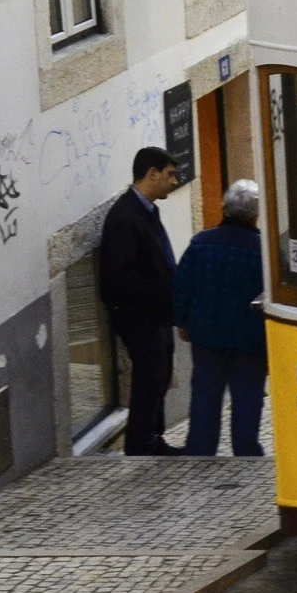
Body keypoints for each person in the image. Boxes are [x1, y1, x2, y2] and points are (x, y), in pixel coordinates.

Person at [99, 147, 183, 456]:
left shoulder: (147, 210)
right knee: (149, 375)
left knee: (159, 374)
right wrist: (160, 292)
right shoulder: (125, 218)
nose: (174, 182)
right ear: (152, 174)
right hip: (139, 316)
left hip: (156, 312)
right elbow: (118, 279)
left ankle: (153, 438)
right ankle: (141, 443)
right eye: (170, 175)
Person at [175, 180, 268, 457]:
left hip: (206, 334)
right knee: (247, 398)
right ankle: (246, 450)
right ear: (255, 214)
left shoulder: (201, 243)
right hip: (249, 338)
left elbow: (182, 285)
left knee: (205, 395)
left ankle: (201, 450)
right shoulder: (263, 251)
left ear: (224, 208)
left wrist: (182, 321)